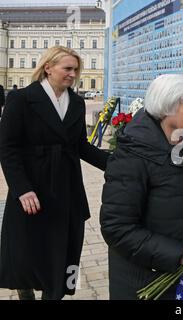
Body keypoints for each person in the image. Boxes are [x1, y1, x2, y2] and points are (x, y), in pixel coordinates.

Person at [100, 74, 183, 300]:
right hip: (147, 283)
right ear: (166, 109)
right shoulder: (133, 154)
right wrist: (180, 253)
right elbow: (117, 227)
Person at [0, 46, 109, 300]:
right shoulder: (22, 99)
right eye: (67, 68)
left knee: (63, 251)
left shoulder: (78, 102)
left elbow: (80, 146)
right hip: (31, 188)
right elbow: (8, 148)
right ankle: (24, 291)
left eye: (75, 70)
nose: (73, 74)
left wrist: (117, 164)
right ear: (48, 67)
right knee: (24, 252)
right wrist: (21, 188)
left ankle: (54, 294)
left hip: (67, 187)